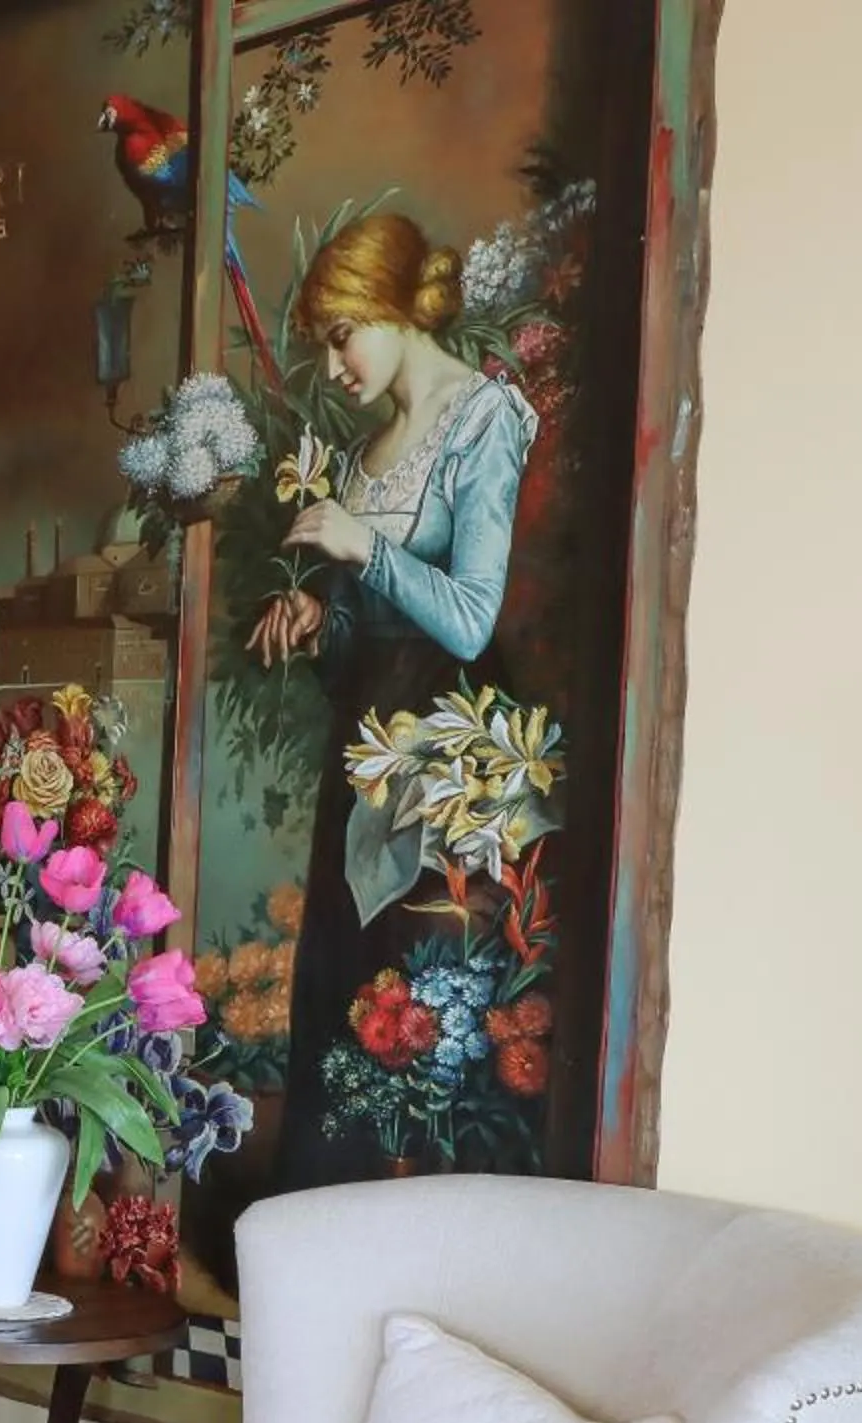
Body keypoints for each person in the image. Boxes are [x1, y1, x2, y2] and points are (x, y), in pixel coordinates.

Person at [248, 210, 538, 1183]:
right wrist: (313, 627)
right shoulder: (372, 450)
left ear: (391, 309)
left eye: (341, 336)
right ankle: (322, 1231)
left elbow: (468, 621)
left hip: (437, 772)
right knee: (337, 983)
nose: (335, 366)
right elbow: (355, 644)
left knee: (418, 997)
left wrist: (360, 546)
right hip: (358, 752)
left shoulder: (482, 420)